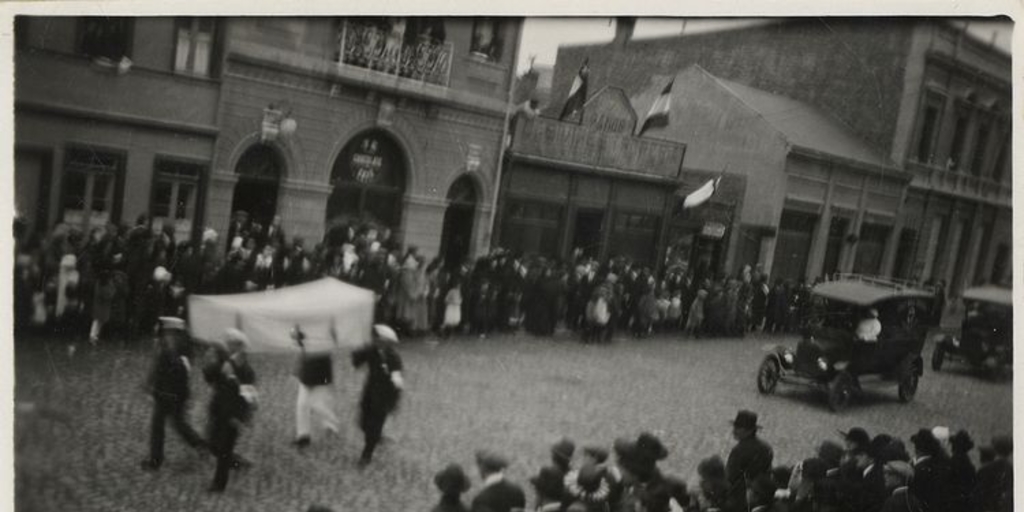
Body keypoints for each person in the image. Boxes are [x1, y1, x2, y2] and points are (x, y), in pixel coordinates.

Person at [140, 317, 205, 470]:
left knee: (159, 426)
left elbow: (157, 367)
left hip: (166, 393)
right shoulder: (183, 345)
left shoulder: (168, 345)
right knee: (178, 423)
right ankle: (199, 444)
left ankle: (155, 461)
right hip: (177, 393)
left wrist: (149, 384)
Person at [204, 328, 256, 493]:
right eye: (228, 344)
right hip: (218, 411)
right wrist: (209, 363)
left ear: (240, 346)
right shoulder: (225, 363)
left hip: (233, 416)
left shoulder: (247, 370)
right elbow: (210, 377)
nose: (228, 347)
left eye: (231, 344)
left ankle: (218, 485)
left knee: (225, 449)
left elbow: (249, 397)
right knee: (212, 445)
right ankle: (238, 463)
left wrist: (242, 418)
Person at [351, 324, 404, 466]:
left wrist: (395, 401)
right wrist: (357, 346)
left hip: (384, 397)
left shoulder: (394, 358)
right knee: (363, 423)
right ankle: (375, 437)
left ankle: (366, 455)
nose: (374, 341)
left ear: (386, 341)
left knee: (374, 426)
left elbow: (397, 382)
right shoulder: (371, 350)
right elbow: (356, 362)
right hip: (369, 392)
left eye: (377, 339)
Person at [292, 325, 340, 448]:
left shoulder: (325, 319)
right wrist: (297, 335)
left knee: (316, 402)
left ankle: (332, 424)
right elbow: (295, 339)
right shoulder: (302, 319)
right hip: (308, 365)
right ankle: (303, 437)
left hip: (320, 366)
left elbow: (334, 341)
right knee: (302, 404)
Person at [725, 410, 773, 512]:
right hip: (760, 497)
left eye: (739, 428)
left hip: (738, 499)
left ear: (750, 430)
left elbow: (730, 477)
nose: (734, 430)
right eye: (735, 427)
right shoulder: (766, 448)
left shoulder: (739, 450)